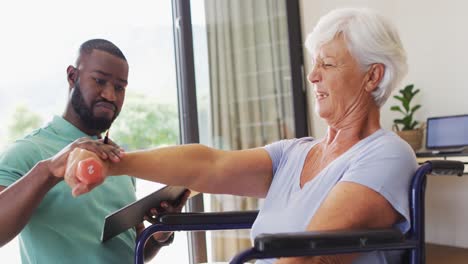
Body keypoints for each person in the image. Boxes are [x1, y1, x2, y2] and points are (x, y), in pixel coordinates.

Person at [58, 8, 417, 264]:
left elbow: (314, 255)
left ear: (372, 77)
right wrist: (112, 163)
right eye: (314, 64)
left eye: (328, 64)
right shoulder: (296, 153)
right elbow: (208, 164)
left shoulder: (386, 155)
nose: (313, 77)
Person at [0, 39, 189, 264]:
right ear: (72, 76)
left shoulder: (118, 160)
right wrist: (49, 171)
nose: (110, 95)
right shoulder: (29, 152)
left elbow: (129, 250)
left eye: (120, 87)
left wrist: (159, 234)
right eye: (100, 81)